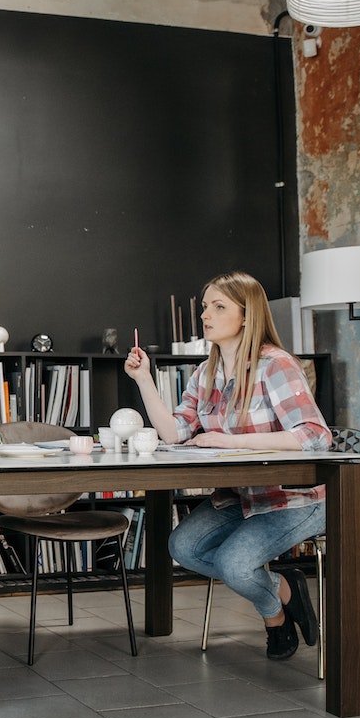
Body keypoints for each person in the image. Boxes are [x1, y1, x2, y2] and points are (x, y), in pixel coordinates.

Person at [124, 270, 330, 661]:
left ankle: (275, 619)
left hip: (295, 499)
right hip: (241, 497)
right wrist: (144, 380)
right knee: (182, 548)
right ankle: (285, 589)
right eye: (205, 306)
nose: (206, 315)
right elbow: (174, 433)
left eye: (219, 307)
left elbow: (314, 435)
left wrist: (231, 441)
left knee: (234, 566)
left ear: (247, 316)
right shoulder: (206, 372)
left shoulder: (276, 365)